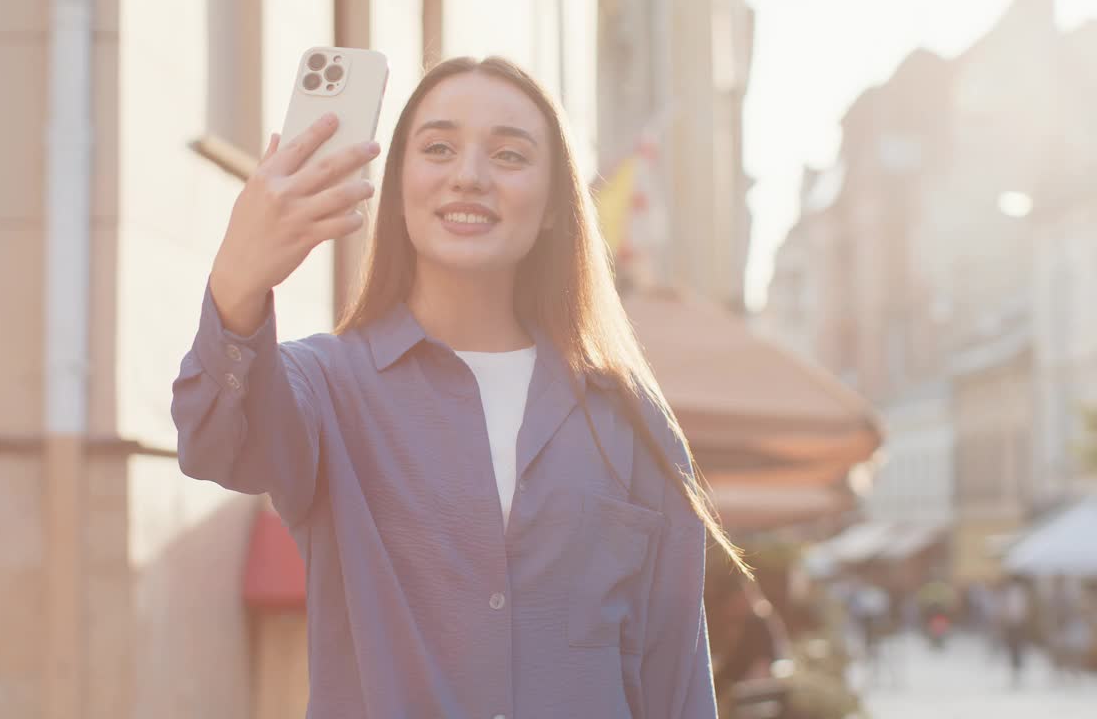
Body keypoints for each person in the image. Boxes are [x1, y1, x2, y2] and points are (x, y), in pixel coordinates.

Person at [171, 55, 749, 718]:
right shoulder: (324, 387)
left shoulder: (632, 419)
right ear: (398, 185)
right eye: (439, 147)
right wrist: (238, 284)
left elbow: (674, 680)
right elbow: (211, 441)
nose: (469, 177)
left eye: (509, 155)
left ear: (558, 206)